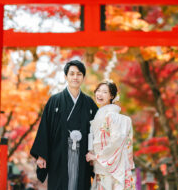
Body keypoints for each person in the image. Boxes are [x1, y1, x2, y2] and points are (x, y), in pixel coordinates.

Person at [30, 60, 99, 190]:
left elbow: (99, 130)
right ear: (65, 76)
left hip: (82, 155)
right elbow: (45, 128)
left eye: (79, 74)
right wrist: (41, 155)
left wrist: (96, 154)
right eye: (71, 74)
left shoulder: (89, 103)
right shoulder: (54, 101)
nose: (75, 77)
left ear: (83, 77)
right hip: (59, 153)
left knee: (81, 185)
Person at [86, 80, 135, 190]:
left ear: (112, 96)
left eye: (104, 92)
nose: (99, 94)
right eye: (98, 91)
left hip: (108, 164)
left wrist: (96, 156)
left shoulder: (112, 115)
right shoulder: (101, 113)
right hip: (101, 164)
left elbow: (116, 140)